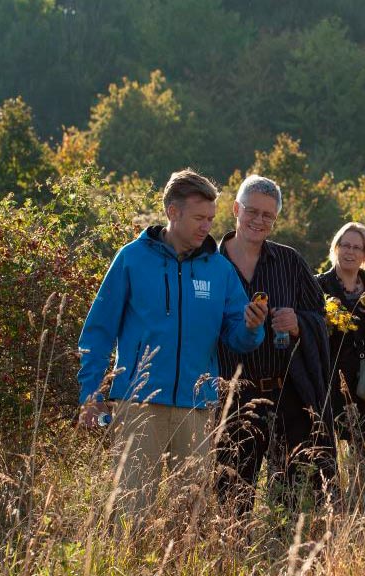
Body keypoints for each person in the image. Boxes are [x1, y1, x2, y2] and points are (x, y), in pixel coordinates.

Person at [76, 169, 267, 518]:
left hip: (196, 408)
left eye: (210, 218)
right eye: (198, 217)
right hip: (138, 403)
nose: (206, 226)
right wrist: (90, 395)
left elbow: (238, 338)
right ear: (172, 212)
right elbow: (98, 332)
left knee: (189, 515)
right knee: (130, 512)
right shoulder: (131, 259)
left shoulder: (219, 270)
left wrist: (253, 327)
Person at [215, 174, 336, 514]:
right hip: (230, 397)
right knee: (232, 494)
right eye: (252, 211)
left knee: (293, 493)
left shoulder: (290, 262)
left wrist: (300, 323)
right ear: (236, 209)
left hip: (287, 394)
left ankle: (287, 557)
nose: (258, 220)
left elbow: (322, 318)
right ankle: (233, 559)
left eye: (267, 215)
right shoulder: (210, 262)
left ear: (275, 219)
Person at [315, 222, 365, 448]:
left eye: (356, 248)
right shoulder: (318, 285)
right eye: (345, 245)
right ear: (336, 248)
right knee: (324, 452)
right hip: (327, 384)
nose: (349, 251)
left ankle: (361, 486)